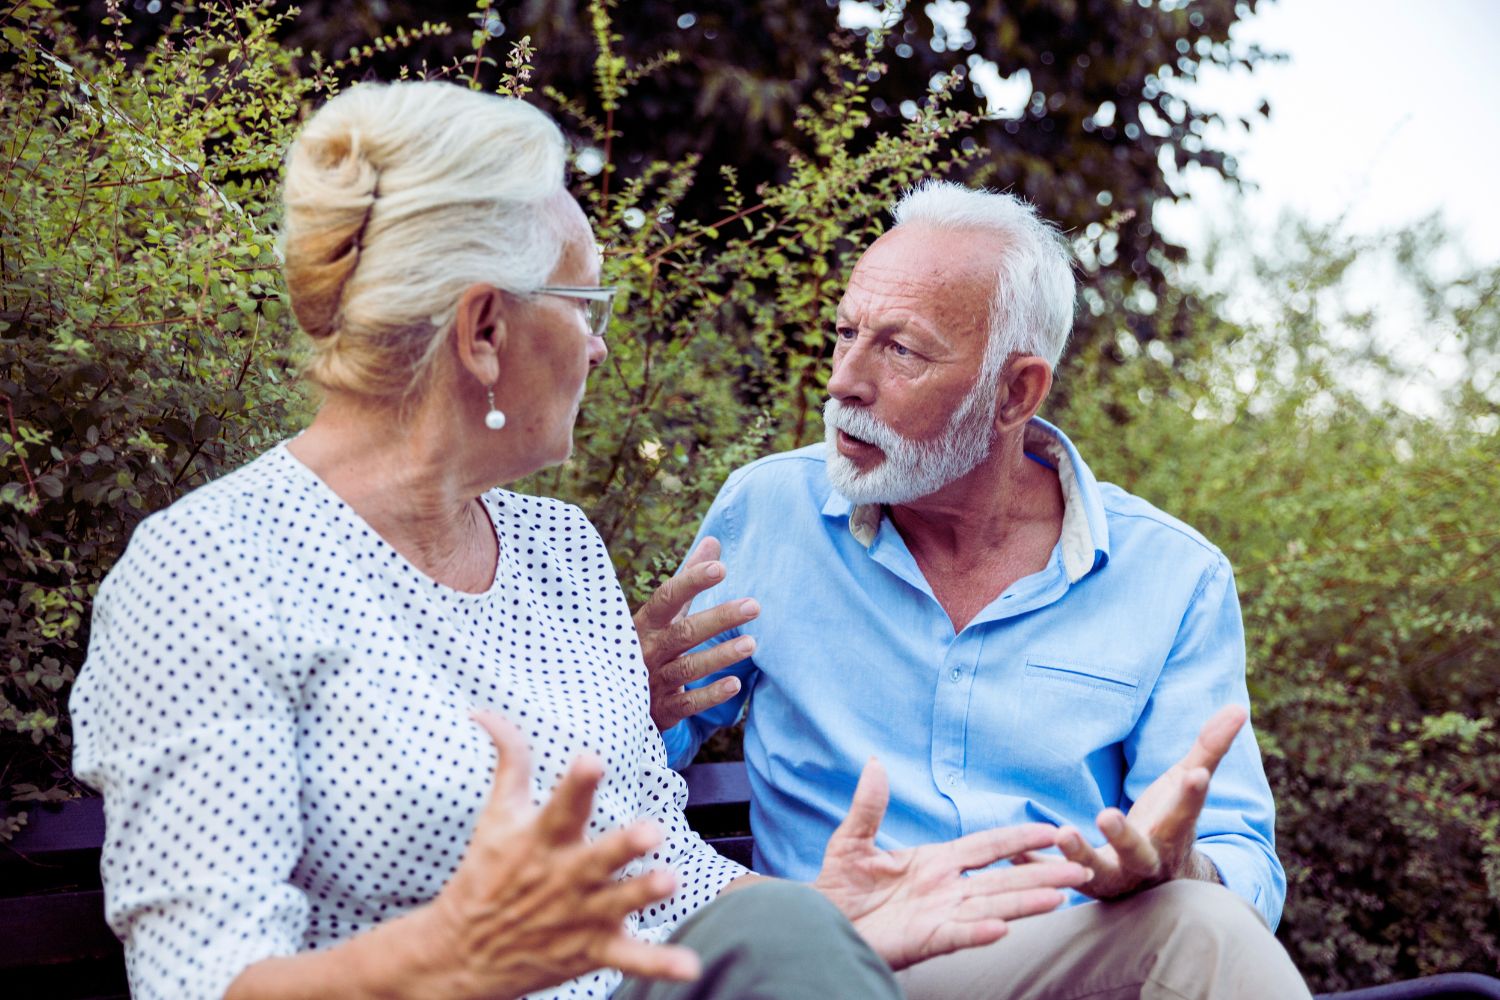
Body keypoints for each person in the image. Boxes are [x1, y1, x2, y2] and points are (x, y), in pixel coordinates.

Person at [68, 83, 1093, 1000]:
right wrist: (447, 958)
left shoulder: (560, 551)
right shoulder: (206, 572)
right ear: (485, 331)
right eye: (586, 301)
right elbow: (203, 981)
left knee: (783, 929)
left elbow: (666, 875)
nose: (601, 343)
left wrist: (830, 912)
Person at [642, 181, 1313, 998]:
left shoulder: (1172, 577)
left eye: (900, 349)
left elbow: (1240, 858)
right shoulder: (770, 513)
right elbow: (613, 773)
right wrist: (634, 691)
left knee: (1203, 923)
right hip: (836, 963)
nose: (844, 381)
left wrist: (1183, 867)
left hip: (1052, 967)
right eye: (846, 334)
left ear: (1015, 392)